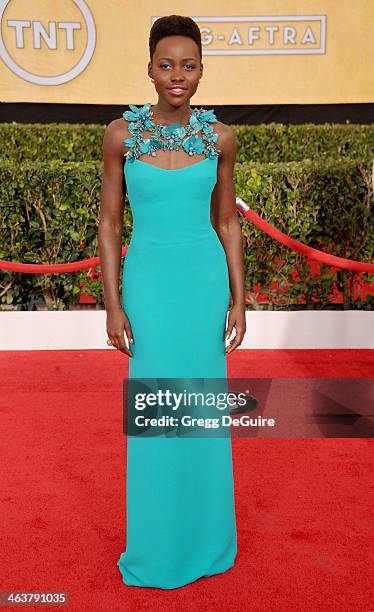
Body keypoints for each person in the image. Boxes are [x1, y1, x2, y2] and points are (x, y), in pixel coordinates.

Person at [98, 14, 246, 590]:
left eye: (188, 65)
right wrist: (112, 305)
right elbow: (110, 223)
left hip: (203, 286)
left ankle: (209, 544)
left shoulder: (220, 137)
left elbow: (228, 221)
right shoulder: (121, 135)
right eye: (166, 65)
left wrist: (239, 298)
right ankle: (157, 547)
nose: (177, 75)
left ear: (202, 70)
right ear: (150, 69)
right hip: (151, 286)